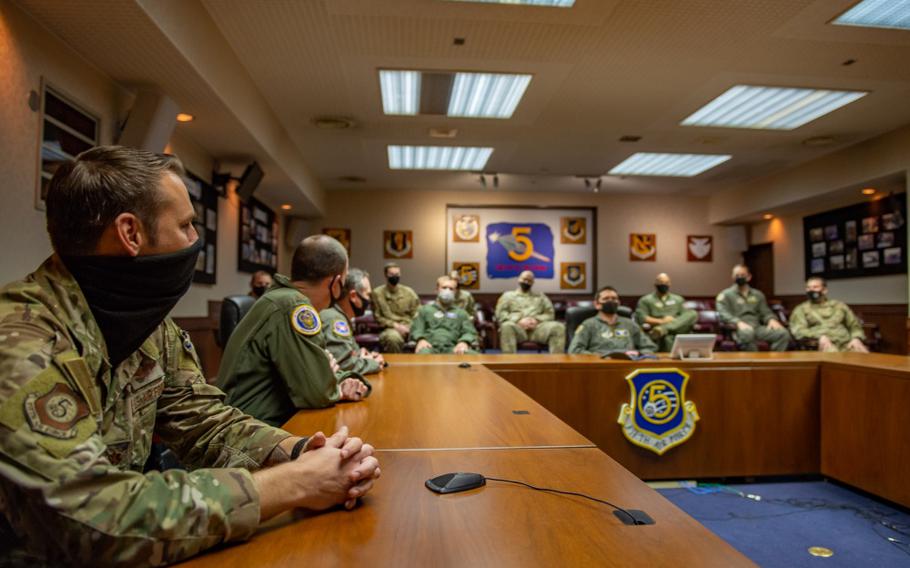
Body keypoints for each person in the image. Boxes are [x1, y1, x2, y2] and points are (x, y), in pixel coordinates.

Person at [0, 146, 379, 565]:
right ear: (131, 233)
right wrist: (294, 484)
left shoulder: (147, 326)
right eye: (185, 225)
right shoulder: (21, 341)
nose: (195, 241)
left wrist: (300, 450)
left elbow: (203, 421)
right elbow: (91, 519)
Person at [217, 235, 371, 427]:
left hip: (256, 425)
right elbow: (317, 392)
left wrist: (331, 375)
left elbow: (318, 376)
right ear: (335, 282)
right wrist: (330, 381)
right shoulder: (295, 307)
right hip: (247, 433)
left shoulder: (281, 299)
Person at [321, 268, 386, 374]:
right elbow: (343, 364)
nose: (369, 300)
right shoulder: (335, 320)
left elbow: (350, 353)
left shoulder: (340, 316)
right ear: (353, 296)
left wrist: (361, 354)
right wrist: (374, 363)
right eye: (367, 295)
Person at [716, 264, 790, 351]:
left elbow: (765, 311)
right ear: (732, 277)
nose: (740, 277)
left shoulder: (758, 294)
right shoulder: (725, 295)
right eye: (737, 275)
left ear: (749, 277)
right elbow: (723, 313)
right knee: (747, 334)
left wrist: (771, 319)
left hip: (757, 327)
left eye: (742, 275)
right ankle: (755, 362)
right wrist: (738, 322)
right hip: (738, 328)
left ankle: (774, 362)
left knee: (783, 333)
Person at [569, 286, 656, 355]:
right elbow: (575, 350)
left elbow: (649, 347)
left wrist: (638, 354)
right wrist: (598, 356)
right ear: (597, 304)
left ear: (619, 303)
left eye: (614, 299)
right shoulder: (588, 324)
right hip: (600, 367)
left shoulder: (630, 324)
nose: (611, 301)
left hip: (627, 365)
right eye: (606, 299)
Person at [789, 277, 869, 352]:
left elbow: (854, 326)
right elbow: (799, 330)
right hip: (822, 344)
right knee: (833, 355)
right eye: (808, 288)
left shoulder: (839, 306)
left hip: (846, 342)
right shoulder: (801, 309)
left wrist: (856, 338)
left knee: (862, 355)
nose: (811, 290)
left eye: (815, 287)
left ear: (824, 290)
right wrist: (819, 337)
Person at [495, 271, 565, 353]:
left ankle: (556, 363)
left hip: (537, 329)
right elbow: (500, 313)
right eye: (524, 279)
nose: (526, 282)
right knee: (506, 326)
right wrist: (518, 321)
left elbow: (550, 314)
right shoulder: (508, 296)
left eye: (529, 280)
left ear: (533, 282)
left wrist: (536, 320)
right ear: (519, 279)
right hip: (517, 329)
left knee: (558, 327)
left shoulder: (541, 297)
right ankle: (509, 363)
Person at [412, 276, 479, 354]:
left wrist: (464, 342)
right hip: (429, 347)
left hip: (453, 348)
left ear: (455, 292)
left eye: (451, 289)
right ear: (436, 290)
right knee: (423, 354)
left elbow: (469, 332)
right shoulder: (425, 310)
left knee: (474, 356)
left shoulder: (461, 313)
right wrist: (421, 340)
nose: (447, 291)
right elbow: (417, 329)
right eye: (444, 288)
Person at [634, 273, 697, 351]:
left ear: (670, 284)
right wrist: (662, 321)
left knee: (693, 313)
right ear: (655, 284)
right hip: (655, 328)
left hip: (674, 328)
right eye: (661, 282)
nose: (663, 284)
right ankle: (664, 329)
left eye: (666, 283)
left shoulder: (678, 299)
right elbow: (643, 318)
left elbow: (686, 316)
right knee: (668, 336)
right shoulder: (645, 300)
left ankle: (663, 329)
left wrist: (666, 325)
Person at [370, 262, 420, 353]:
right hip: (390, 328)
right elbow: (378, 318)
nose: (395, 276)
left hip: (410, 326)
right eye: (391, 274)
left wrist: (410, 327)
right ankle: (396, 365)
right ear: (386, 275)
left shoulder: (408, 292)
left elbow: (417, 313)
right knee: (393, 338)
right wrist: (395, 326)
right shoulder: (377, 293)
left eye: (397, 274)